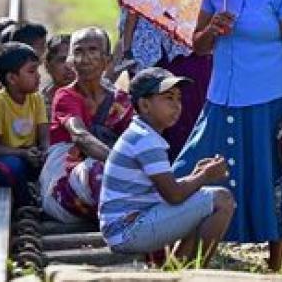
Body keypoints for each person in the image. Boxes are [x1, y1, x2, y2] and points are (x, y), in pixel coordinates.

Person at [172, 0, 282, 271]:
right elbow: (198, 47)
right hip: (221, 100)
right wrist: (212, 29)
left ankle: (275, 266)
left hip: (270, 101)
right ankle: (191, 260)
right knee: (190, 171)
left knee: (272, 180)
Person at [99, 67, 234, 264]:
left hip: (125, 227)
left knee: (201, 202)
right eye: (168, 98)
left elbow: (170, 192)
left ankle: (178, 271)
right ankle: (190, 273)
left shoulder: (142, 134)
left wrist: (197, 174)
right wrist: (204, 175)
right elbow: (174, 195)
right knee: (222, 199)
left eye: (178, 98)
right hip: (128, 231)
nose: (177, 105)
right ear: (145, 105)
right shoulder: (145, 140)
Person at [39, 27, 133, 223]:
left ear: (107, 60)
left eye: (93, 50)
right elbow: (80, 136)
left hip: (109, 181)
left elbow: (134, 140)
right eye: (79, 52)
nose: (85, 58)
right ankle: (123, 225)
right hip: (64, 189)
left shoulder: (121, 100)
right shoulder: (65, 96)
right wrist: (120, 163)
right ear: (71, 61)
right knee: (96, 170)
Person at [117, 9, 212, 160]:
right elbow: (133, 8)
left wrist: (127, 49)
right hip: (158, 47)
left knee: (181, 114)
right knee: (159, 116)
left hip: (183, 45)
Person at [0, 42, 48, 206]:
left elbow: (44, 134)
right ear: (12, 78)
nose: (38, 76)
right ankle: (26, 203)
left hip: (29, 156)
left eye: (37, 70)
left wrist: (44, 152)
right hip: (5, 159)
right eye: (31, 71)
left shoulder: (36, 98)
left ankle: (44, 195)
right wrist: (24, 154)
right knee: (13, 167)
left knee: (53, 158)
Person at [41, 34, 75, 117]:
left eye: (73, 60)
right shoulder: (38, 103)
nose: (68, 66)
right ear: (47, 65)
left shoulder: (93, 99)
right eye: (62, 60)